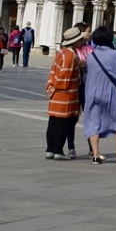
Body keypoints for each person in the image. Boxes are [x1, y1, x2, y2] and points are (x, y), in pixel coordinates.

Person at [81, 27, 116, 164]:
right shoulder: (115, 55)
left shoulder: (91, 56)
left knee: (93, 121)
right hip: (111, 91)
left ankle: (96, 155)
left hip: (92, 92)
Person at [45, 25, 86, 159]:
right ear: (74, 42)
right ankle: (58, 150)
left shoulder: (61, 53)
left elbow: (53, 72)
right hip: (66, 95)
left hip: (56, 95)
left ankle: (50, 149)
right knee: (62, 124)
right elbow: (65, 77)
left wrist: (52, 87)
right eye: (80, 40)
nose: (82, 42)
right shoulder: (70, 55)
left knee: (53, 122)